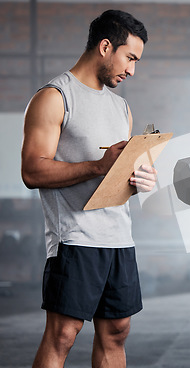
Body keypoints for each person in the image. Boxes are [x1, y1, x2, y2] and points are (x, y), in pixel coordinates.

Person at [21, 10, 156, 368]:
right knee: (63, 334)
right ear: (105, 46)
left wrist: (141, 178)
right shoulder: (54, 96)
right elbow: (32, 170)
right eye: (129, 58)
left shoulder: (121, 107)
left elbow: (118, 170)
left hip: (119, 239)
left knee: (117, 331)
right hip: (76, 239)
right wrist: (98, 166)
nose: (131, 70)